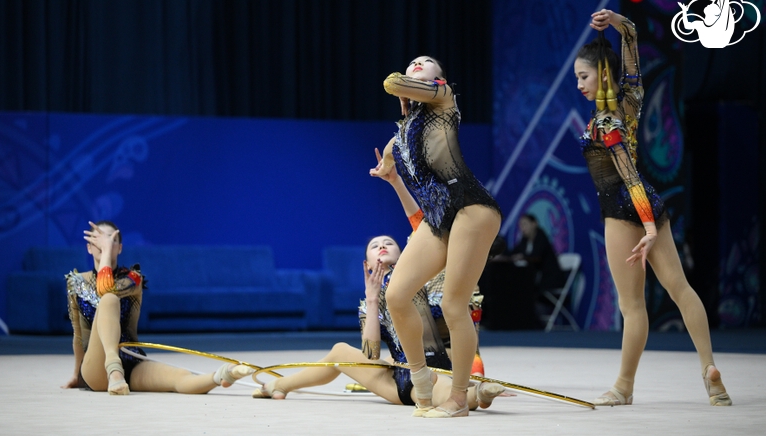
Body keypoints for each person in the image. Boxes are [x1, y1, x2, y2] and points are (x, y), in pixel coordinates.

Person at [252, 165, 505, 411]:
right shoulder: (370, 300)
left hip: (437, 369)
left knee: (440, 387)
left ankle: (475, 395)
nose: (382, 246)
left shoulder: (423, 276)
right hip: (398, 380)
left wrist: (396, 182)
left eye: (389, 243)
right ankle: (280, 384)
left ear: (405, 251)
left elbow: (419, 224)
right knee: (340, 350)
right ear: (368, 261)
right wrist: (372, 301)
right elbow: (371, 356)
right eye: (375, 246)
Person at [575, 9, 731, 406]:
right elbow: (632, 39)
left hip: (622, 209)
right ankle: (709, 369)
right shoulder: (632, 98)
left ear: (602, 75)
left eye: (584, 76)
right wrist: (619, 22)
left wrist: (645, 229)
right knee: (681, 288)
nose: (579, 84)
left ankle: (624, 387)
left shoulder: (605, 123)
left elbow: (626, 177)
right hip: (651, 201)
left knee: (632, 306)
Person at [370, 56, 503, 417]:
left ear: (439, 78)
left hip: (471, 207)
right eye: (413, 62)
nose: (417, 64)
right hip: (438, 216)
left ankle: (459, 398)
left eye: (425, 63)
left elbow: (392, 82)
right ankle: (422, 380)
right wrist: (388, 168)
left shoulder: (444, 98)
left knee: (453, 305)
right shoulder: (405, 129)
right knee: (396, 295)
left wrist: (405, 88)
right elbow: (395, 147)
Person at [62, 221, 252, 395]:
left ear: (119, 248)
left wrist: (104, 251)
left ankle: (221, 376)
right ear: (88, 247)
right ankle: (113, 368)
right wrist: (75, 374)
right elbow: (79, 335)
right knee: (109, 300)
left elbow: (106, 289)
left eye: (111, 241)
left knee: (178, 376)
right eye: (99, 240)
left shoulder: (132, 278)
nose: (105, 245)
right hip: (96, 367)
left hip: (131, 361)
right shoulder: (76, 282)